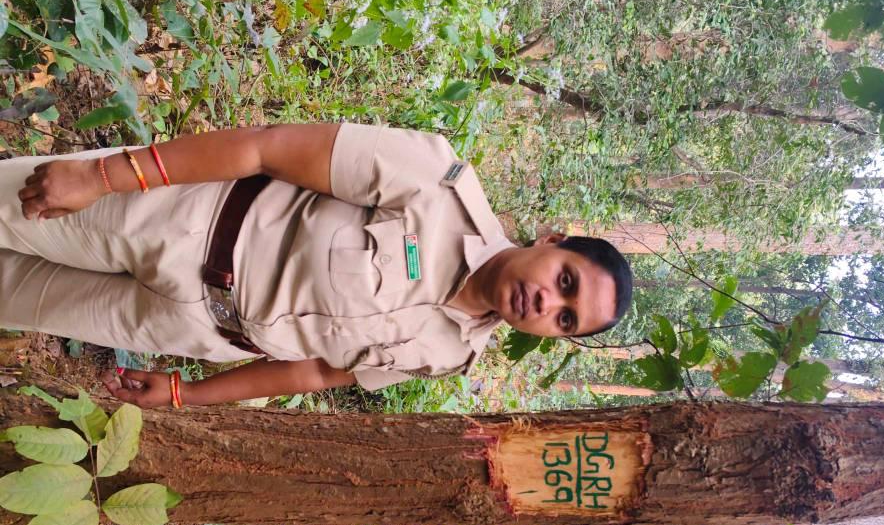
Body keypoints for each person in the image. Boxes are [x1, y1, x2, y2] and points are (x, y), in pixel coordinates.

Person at [3, 122, 632, 408]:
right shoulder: (437, 185)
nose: (547, 303)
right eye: (565, 281)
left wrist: (187, 392)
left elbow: (315, 372)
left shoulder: (450, 353)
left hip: (188, 327)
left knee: (10, 299)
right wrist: (104, 176)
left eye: (566, 318)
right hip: (178, 222)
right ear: (552, 240)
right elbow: (267, 149)